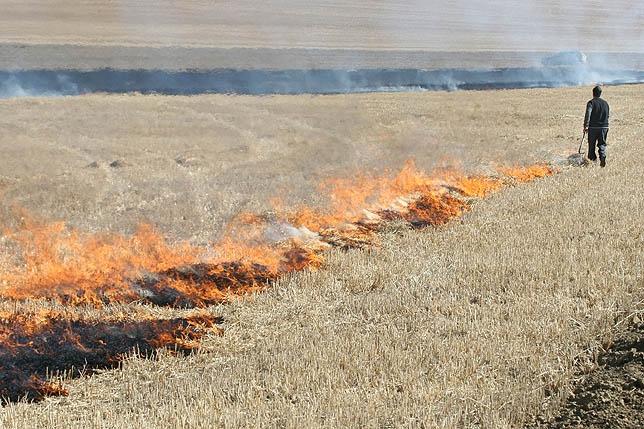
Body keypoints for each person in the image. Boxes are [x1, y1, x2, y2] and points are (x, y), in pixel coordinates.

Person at [584, 86, 610, 167]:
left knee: (591, 145)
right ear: (600, 93)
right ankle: (602, 156)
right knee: (602, 144)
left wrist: (586, 125)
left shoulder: (591, 103)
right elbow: (608, 115)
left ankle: (592, 162)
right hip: (604, 127)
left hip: (593, 128)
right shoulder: (606, 103)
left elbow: (588, 114)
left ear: (593, 93)